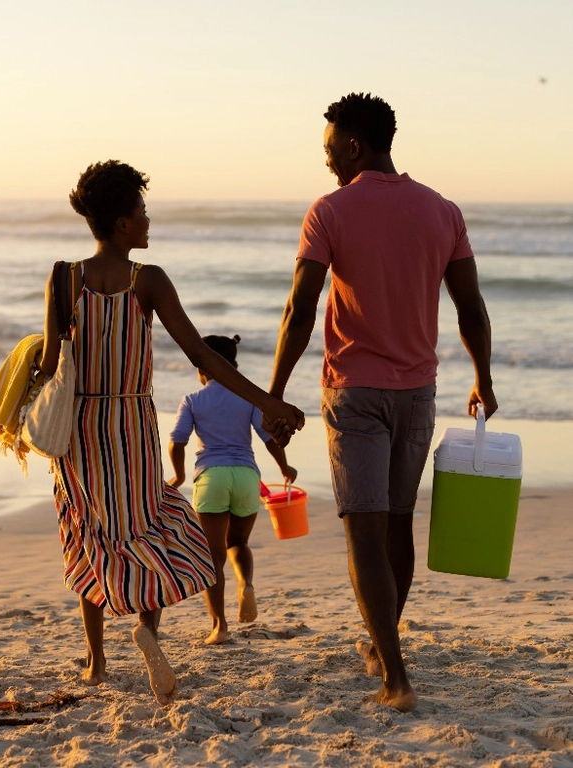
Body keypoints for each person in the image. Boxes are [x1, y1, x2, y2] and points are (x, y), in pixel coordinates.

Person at [39, 160, 304, 706]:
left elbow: (47, 366)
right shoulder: (148, 280)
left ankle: (95, 660)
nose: (148, 220)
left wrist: (22, 419)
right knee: (149, 526)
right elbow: (203, 355)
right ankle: (148, 632)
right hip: (132, 427)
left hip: (80, 434)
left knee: (91, 534)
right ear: (121, 225)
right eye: (141, 212)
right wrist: (268, 402)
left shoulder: (63, 277)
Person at [269, 93, 496, 712]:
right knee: (396, 525)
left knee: (364, 534)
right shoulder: (442, 210)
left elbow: (300, 308)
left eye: (328, 151)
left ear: (353, 146)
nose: (326, 164)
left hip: (356, 392)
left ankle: (395, 677)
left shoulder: (330, 211)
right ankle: (383, 646)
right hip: (418, 392)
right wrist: (484, 378)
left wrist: (275, 391)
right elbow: (470, 307)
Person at [166, 334, 297, 646]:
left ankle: (219, 626)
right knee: (238, 541)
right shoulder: (248, 399)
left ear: (202, 368)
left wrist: (179, 475)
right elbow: (268, 437)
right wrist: (284, 467)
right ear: (234, 367)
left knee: (212, 556)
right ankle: (246, 583)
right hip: (247, 476)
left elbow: (177, 441)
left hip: (212, 476)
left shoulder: (193, 400)